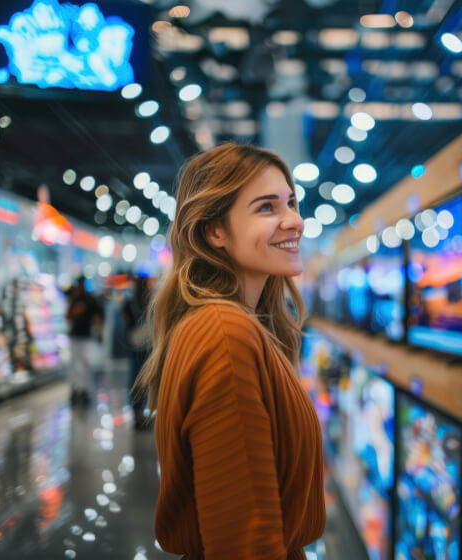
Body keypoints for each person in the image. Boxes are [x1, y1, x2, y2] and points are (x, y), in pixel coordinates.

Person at [134, 143, 325, 559]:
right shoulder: (225, 333)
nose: (295, 221)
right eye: (267, 208)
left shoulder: (228, 325)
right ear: (214, 231)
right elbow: (245, 543)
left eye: (291, 203)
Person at [66, 276, 102, 405]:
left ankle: (85, 390)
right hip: (75, 336)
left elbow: (97, 317)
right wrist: (75, 310)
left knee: (85, 364)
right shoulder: (75, 299)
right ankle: (75, 389)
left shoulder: (90, 299)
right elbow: (68, 316)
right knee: (74, 364)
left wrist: (99, 333)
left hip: (86, 336)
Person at [123, 274, 152, 429]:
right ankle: (142, 412)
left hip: (133, 344)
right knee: (145, 379)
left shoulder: (129, 302)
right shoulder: (149, 301)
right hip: (147, 345)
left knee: (134, 378)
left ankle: (137, 412)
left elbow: (126, 323)